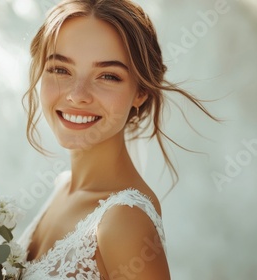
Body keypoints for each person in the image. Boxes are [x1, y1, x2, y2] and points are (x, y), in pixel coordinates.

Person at [19, 0, 215, 279]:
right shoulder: (62, 187)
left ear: (141, 92)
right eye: (60, 69)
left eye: (108, 76)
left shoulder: (125, 220)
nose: (77, 94)